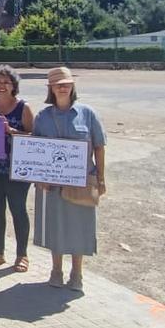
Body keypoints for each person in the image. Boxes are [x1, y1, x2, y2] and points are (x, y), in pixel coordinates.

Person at [33, 67, 107, 293]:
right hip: (52, 183)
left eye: (65, 83)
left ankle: (77, 274)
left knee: (79, 227)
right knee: (55, 226)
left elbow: (99, 146)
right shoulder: (42, 117)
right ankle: (56, 271)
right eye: (57, 84)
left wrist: (101, 178)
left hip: (82, 181)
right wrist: (39, 177)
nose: (62, 87)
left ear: (72, 86)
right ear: (50, 89)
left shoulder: (87, 113)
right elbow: (35, 150)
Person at [0, 65, 35, 273]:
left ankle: (22, 254)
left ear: (13, 85)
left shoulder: (24, 107)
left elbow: (33, 137)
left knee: (18, 209)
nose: (2, 86)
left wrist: (11, 131)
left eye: (6, 82)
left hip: (17, 168)